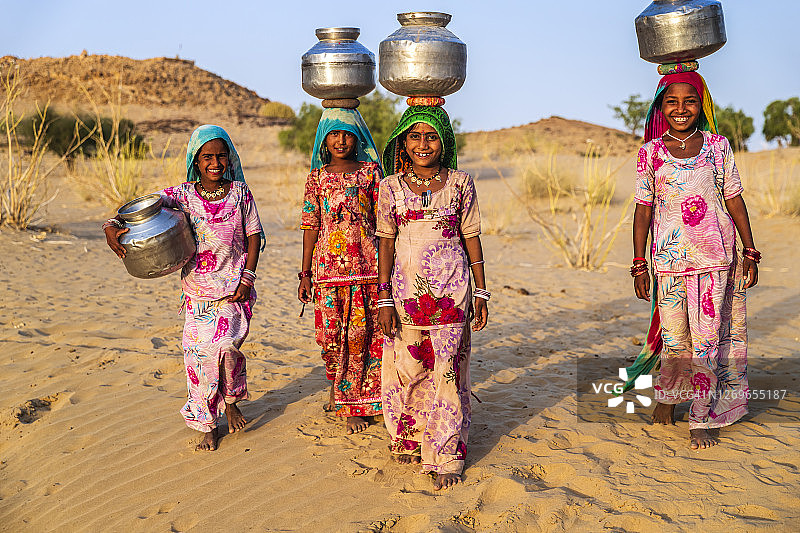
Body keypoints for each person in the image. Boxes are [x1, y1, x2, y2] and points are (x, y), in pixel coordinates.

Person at [104, 125, 264, 451]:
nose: (215, 163)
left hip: (234, 288)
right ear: (196, 160)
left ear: (229, 158)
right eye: (207, 157)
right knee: (197, 358)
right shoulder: (183, 195)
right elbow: (141, 207)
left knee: (226, 349)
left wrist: (248, 277)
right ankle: (208, 424)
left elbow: (253, 236)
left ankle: (231, 401)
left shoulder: (240, 193)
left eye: (221, 156)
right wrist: (111, 225)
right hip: (197, 292)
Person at [630, 70, 759, 450]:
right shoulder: (650, 153)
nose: (681, 108)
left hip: (715, 260)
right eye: (672, 101)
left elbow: (733, 198)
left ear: (700, 106)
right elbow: (643, 209)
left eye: (689, 101)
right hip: (669, 263)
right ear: (661, 108)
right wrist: (639, 263)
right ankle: (669, 397)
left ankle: (701, 417)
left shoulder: (718, 147)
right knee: (675, 342)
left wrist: (750, 251)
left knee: (707, 344)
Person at [376, 105, 489, 490]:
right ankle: (411, 437)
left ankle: (446, 454)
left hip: (453, 292)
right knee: (410, 368)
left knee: (447, 371)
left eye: (431, 136)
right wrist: (383, 298)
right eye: (414, 136)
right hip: (405, 294)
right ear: (402, 143)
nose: (423, 144)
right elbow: (386, 242)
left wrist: (481, 290)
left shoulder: (461, 183)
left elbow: (471, 236)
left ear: (445, 142)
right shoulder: (390, 187)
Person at [298, 108, 384, 435]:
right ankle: (339, 389)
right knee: (332, 337)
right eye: (333, 133)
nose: (341, 140)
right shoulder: (317, 178)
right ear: (323, 139)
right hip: (328, 272)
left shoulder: (371, 173)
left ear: (357, 137)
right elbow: (311, 224)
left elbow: (384, 222)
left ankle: (356, 404)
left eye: (347, 133)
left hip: (368, 269)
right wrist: (305, 274)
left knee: (363, 337)